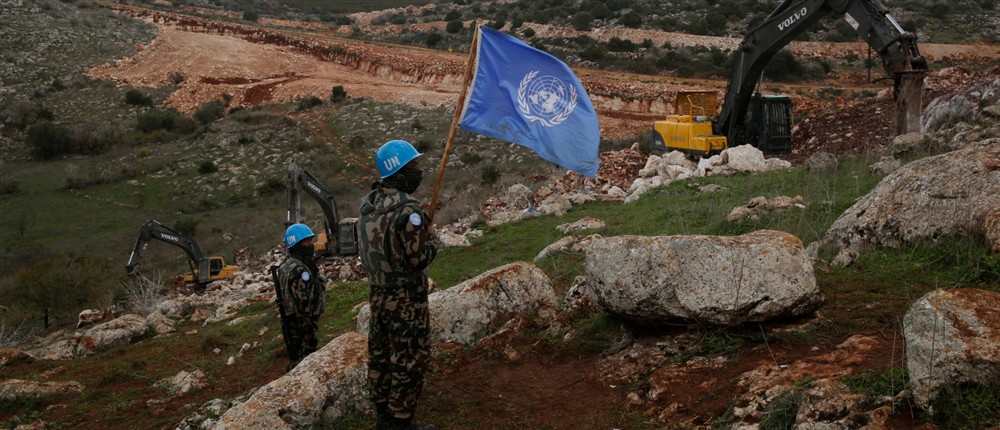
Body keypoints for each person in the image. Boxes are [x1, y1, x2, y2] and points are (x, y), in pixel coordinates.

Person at [358, 140, 439, 430]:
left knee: (380, 354)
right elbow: (418, 259)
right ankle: (401, 422)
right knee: (409, 358)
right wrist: (433, 237)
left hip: (378, 295)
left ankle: (383, 417)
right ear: (400, 170)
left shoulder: (367, 206)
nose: (419, 171)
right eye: (414, 166)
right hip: (406, 300)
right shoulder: (409, 211)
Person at [273, 223, 326, 371]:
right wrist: (308, 325)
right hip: (302, 325)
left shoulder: (286, 265)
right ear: (296, 244)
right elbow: (302, 304)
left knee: (297, 358)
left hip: (292, 323)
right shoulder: (300, 269)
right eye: (306, 241)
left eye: (310, 240)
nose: (310, 244)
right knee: (305, 362)